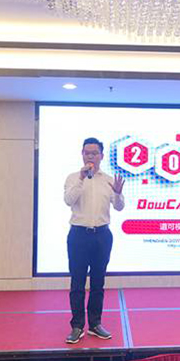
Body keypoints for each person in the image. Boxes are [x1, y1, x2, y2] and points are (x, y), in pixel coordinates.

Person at [63, 137, 125, 344]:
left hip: (102, 236)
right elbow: (68, 200)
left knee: (98, 282)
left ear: (102, 156)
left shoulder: (108, 179)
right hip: (78, 235)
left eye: (94, 153)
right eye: (87, 152)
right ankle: (77, 326)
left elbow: (119, 207)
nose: (90, 156)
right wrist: (82, 179)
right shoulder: (73, 178)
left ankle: (95, 324)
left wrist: (118, 194)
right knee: (77, 282)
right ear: (82, 154)